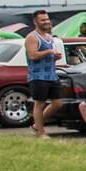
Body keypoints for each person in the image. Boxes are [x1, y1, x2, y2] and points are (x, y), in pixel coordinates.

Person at [22, 9, 63, 139]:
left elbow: (49, 54)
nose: (46, 22)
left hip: (51, 75)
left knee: (58, 103)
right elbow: (32, 55)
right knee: (39, 104)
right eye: (43, 20)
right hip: (38, 76)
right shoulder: (32, 37)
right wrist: (49, 52)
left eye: (47, 19)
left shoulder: (50, 37)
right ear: (35, 21)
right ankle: (41, 132)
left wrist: (55, 56)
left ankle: (36, 125)